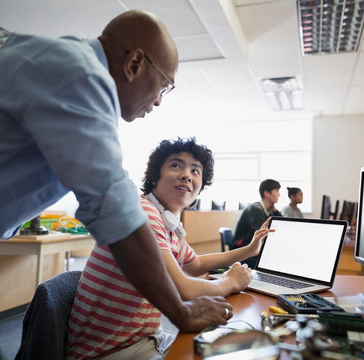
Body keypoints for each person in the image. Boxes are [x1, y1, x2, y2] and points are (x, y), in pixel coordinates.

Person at [0, 10, 230, 360]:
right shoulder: (80, 77)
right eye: (164, 85)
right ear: (134, 63)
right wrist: (181, 312)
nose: (159, 100)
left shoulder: (65, 63)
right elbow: (115, 211)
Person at [67, 138, 273, 359]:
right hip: (110, 351)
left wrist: (249, 250)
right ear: (155, 176)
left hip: (140, 337)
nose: (187, 174)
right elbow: (184, 288)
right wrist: (231, 282)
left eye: (196, 171)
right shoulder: (144, 214)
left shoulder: (168, 223)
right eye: (176, 165)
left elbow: (196, 264)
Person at [232, 179, 282, 267]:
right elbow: (263, 232)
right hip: (242, 250)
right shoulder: (255, 209)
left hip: (252, 248)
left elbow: (282, 225)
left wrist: (274, 209)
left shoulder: (268, 210)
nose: (279, 194)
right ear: (267, 193)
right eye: (277, 191)